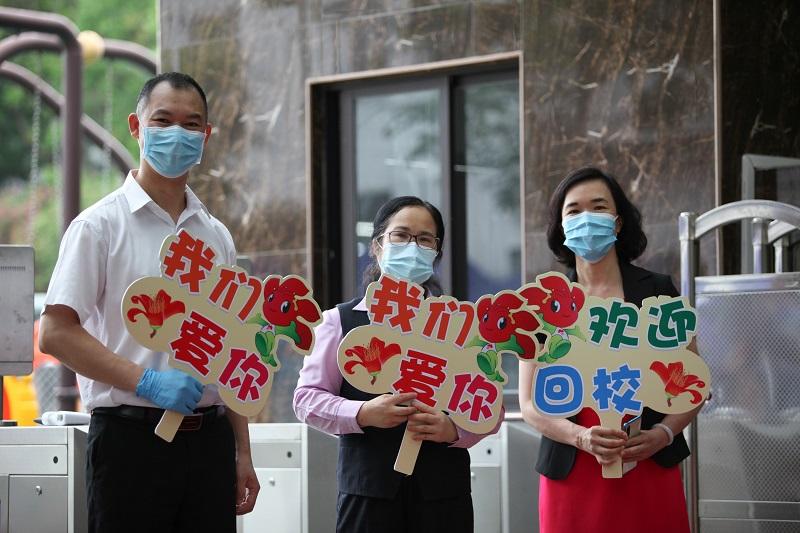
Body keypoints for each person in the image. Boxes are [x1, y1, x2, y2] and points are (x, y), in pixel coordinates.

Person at [39, 72, 259, 533]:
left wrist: (242, 451)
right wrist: (147, 381)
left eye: (191, 124)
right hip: (130, 440)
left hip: (209, 442)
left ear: (206, 136)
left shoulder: (216, 236)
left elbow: (233, 347)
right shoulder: (98, 227)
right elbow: (56, 332)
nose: (177, 133)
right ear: (136, 128)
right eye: (163, 120)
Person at [294, 196, 497, 533]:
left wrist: (455, 430)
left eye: (424, 239)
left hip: (443, 494)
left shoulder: (461, 326)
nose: (412, 246)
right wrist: (362, 413)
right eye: (400, 235)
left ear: (436, 252)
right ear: (377, 247)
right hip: (368, 493)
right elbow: (306, 399)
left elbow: (489, 407)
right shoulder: (340, 321)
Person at [518, 167, 703, 533]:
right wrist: (581, 437)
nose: (586, 218)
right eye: (573, 211)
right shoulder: (542, 304)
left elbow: (693, 381)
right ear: (561, 226)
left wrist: (662, 435)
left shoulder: (658, 291)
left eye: (598, 207)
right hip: (572, 469)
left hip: (647, 462)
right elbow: (529, 403)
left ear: (617, 223)